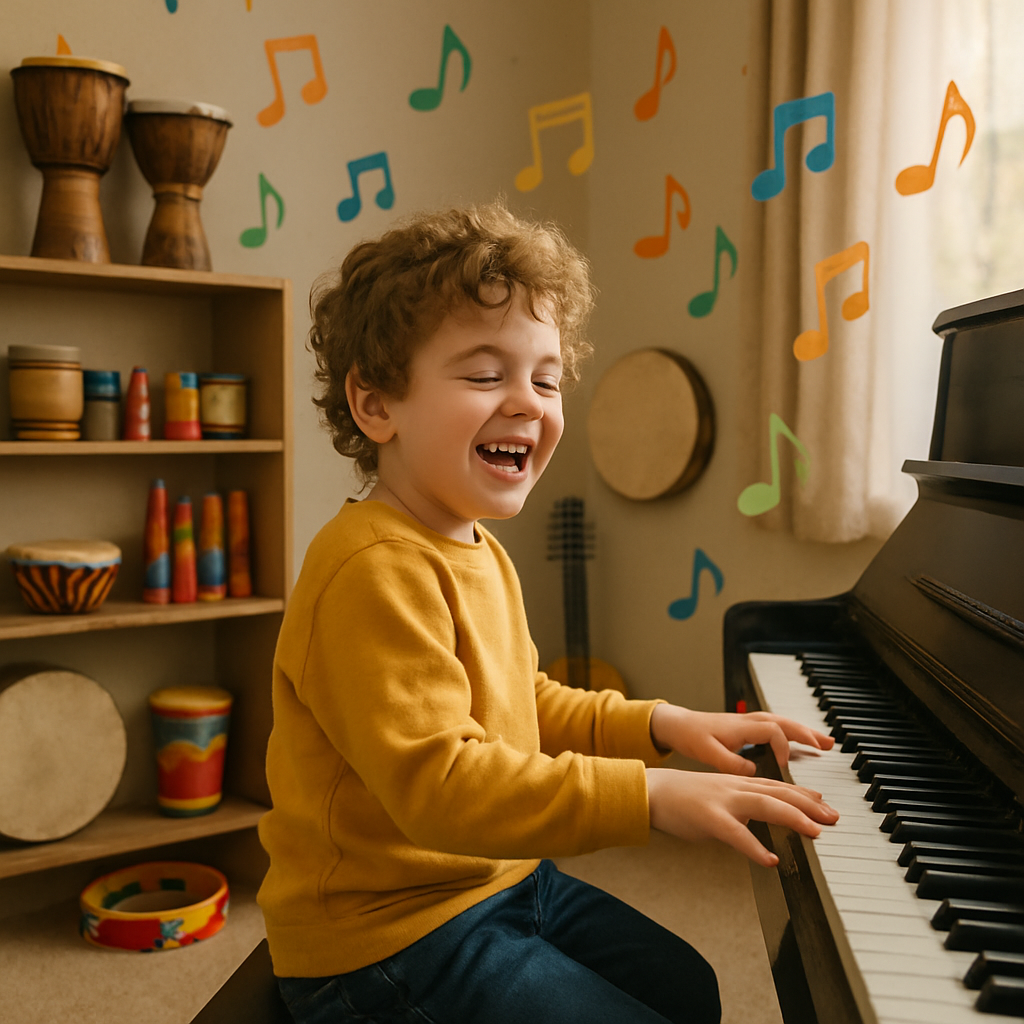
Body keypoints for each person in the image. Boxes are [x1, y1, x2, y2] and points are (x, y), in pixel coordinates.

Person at [257, 201, 838, 1024]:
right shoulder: (369, 568)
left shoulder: (479, 549)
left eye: (547, 376)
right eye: (487, 374)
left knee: (690, 990)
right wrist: (651, 795)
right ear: (376, 403)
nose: (528, 402)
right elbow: (445, 788)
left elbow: (525, 705)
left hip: (501, 879)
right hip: (388, 937)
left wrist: (665, 724)